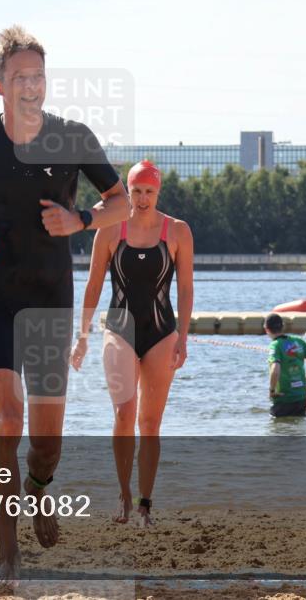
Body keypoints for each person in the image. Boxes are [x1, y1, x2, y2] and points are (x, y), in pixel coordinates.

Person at [0, 25, 129, 583]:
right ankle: (8, 559)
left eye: (38, 76)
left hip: (50, 298)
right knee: (6, 419)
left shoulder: (74, 137)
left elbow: (121, 202)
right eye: (19, 78)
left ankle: (38, 487)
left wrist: (80, 220)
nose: (31, 86)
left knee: (46, 444)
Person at [70, 160, 193, 527]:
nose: (141, 199)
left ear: (158, 192)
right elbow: (93, 286)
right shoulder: (109, 230)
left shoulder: (178, 231)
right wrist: (82, 336)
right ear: (127, 191)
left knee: (150, 423)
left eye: (148, 192)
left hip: (161, 333)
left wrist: (183, 337)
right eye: (135, 191)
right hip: (119, 331)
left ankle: (145, 504)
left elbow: (186, 288)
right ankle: (123, 494)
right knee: (124, 414)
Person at [264, 313, 306, 417]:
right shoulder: (298, 341)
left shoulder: (275, 345)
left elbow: (275, 370)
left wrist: (271, 390)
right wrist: (305, 379)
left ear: (266, 329)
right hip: (301, 398)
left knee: (278, 429)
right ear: (282, 326)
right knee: (298, 428)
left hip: (283, 399)